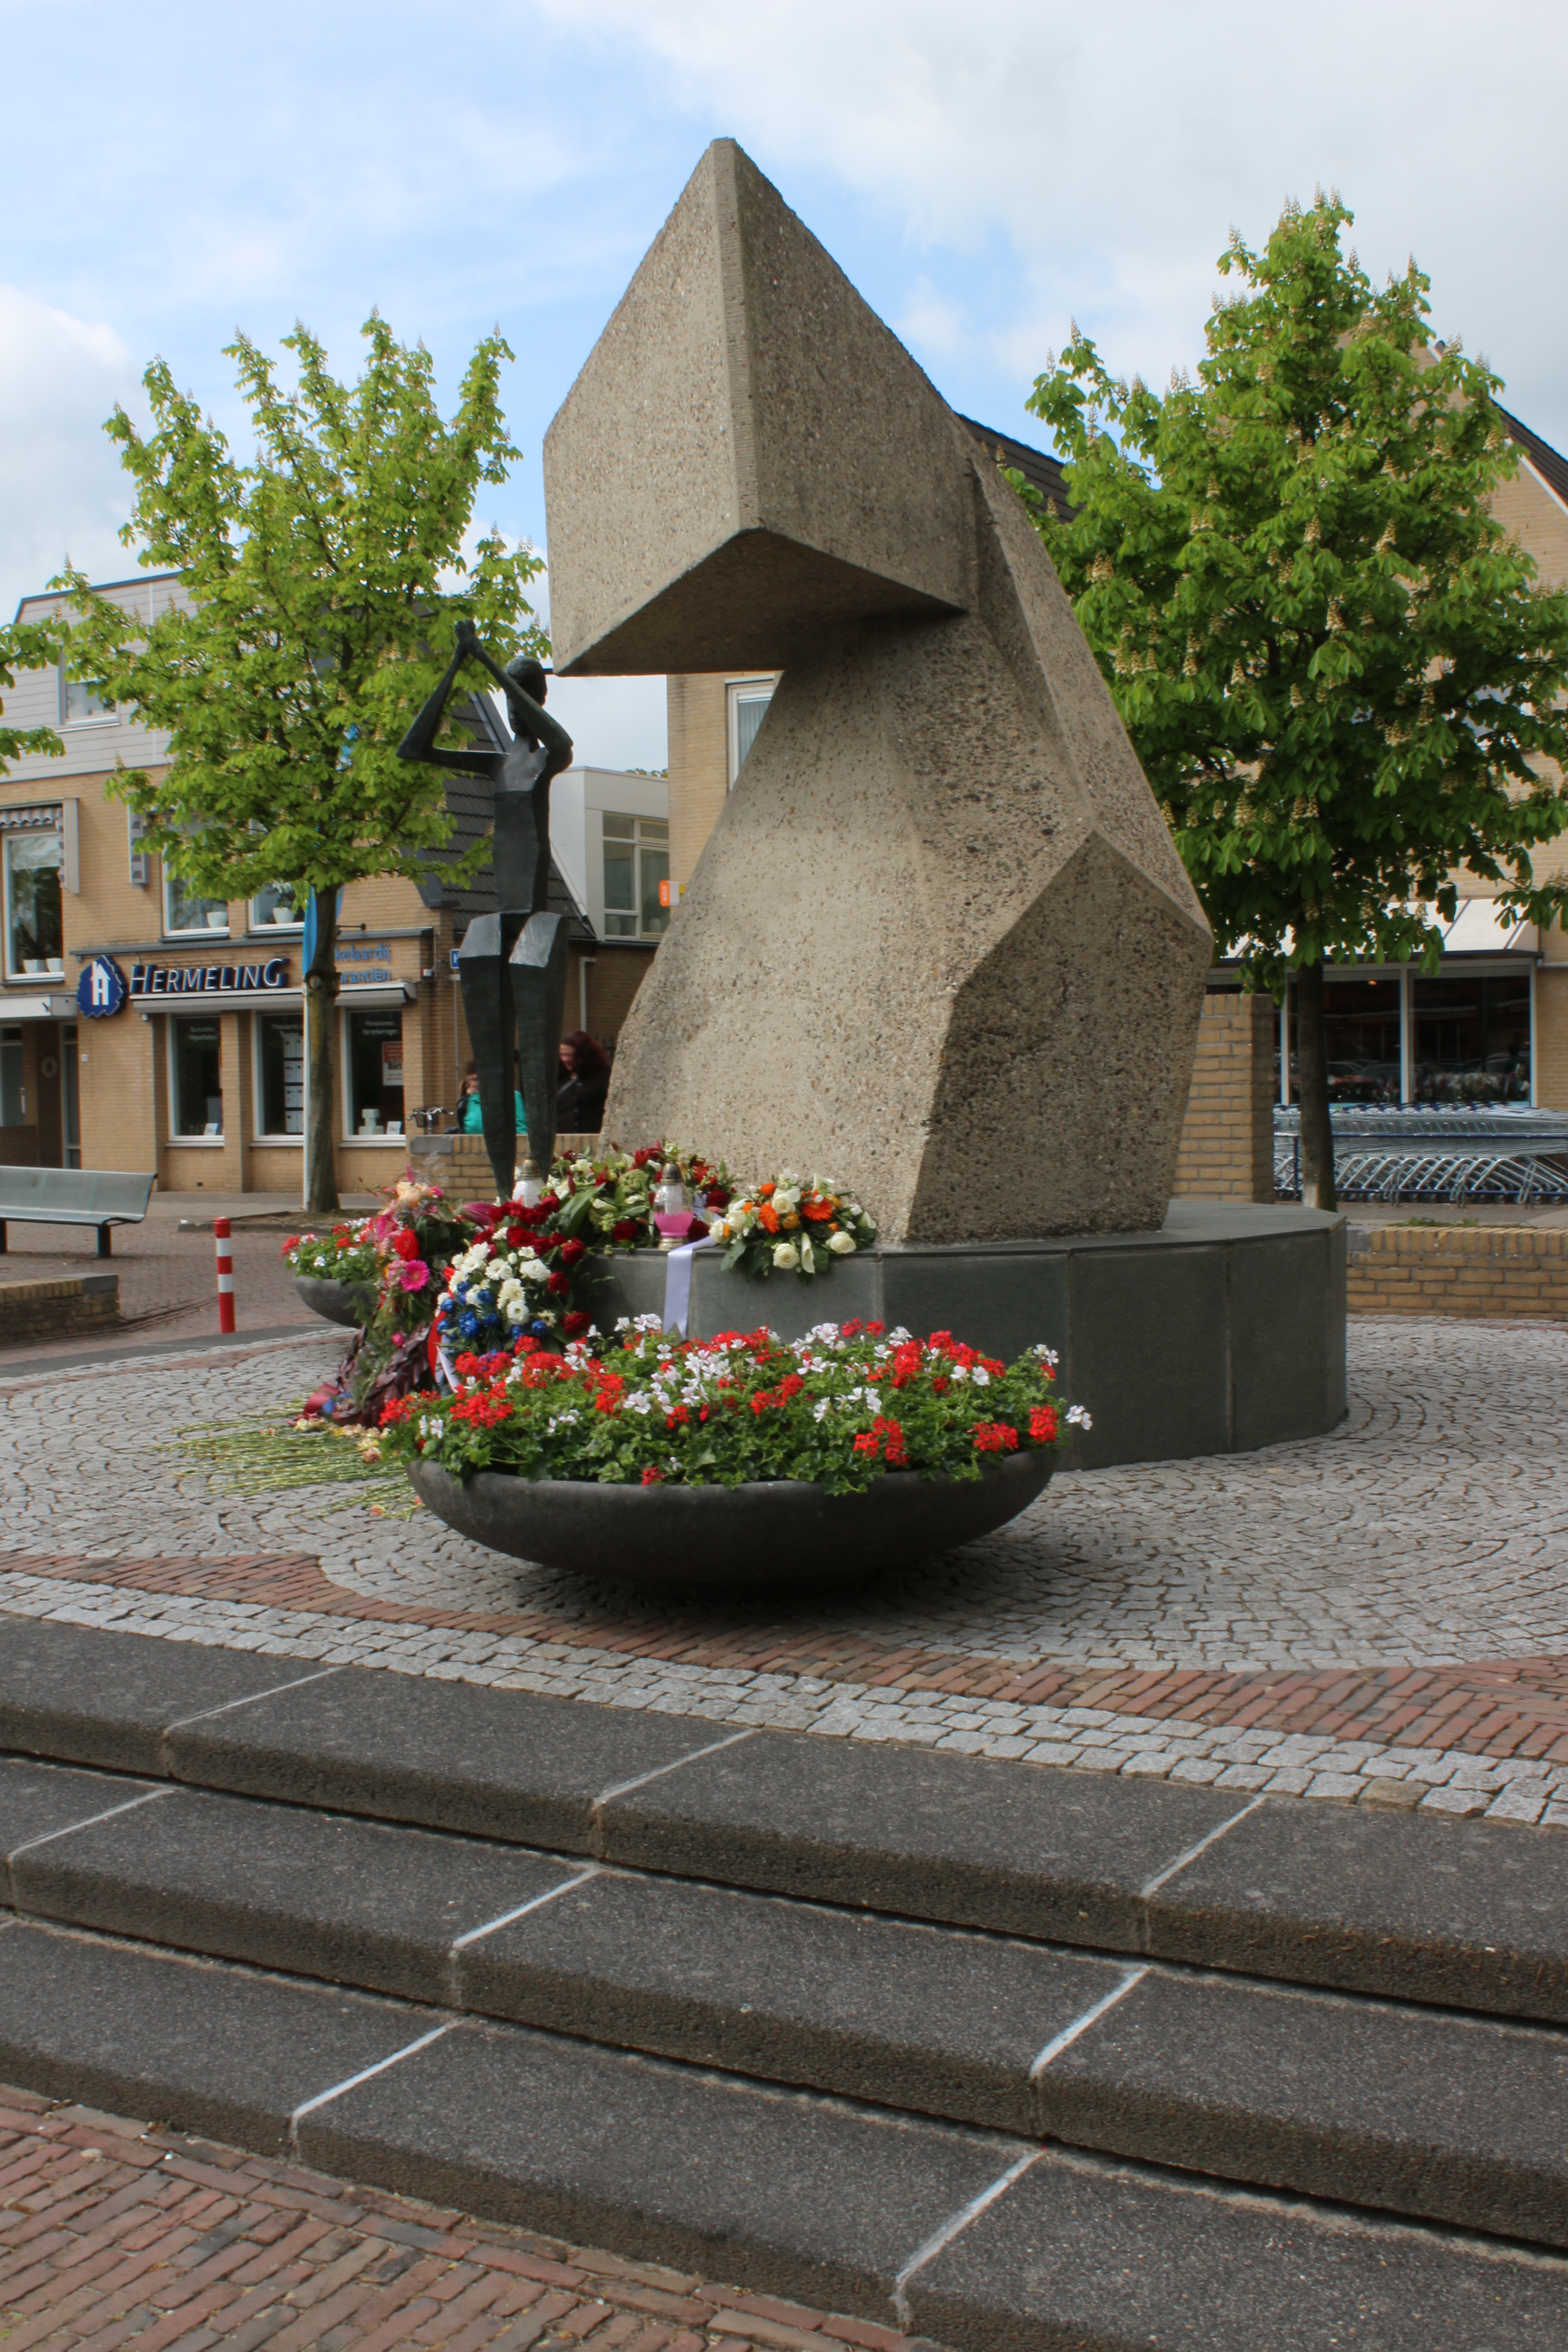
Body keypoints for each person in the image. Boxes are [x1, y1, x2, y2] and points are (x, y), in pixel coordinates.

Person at [557, 1030, 611, 1134]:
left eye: (569, 1055)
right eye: (562, 1054)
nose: (564, 1059)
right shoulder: (560, 1076)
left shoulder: (602, 1075)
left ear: (583, 1054)